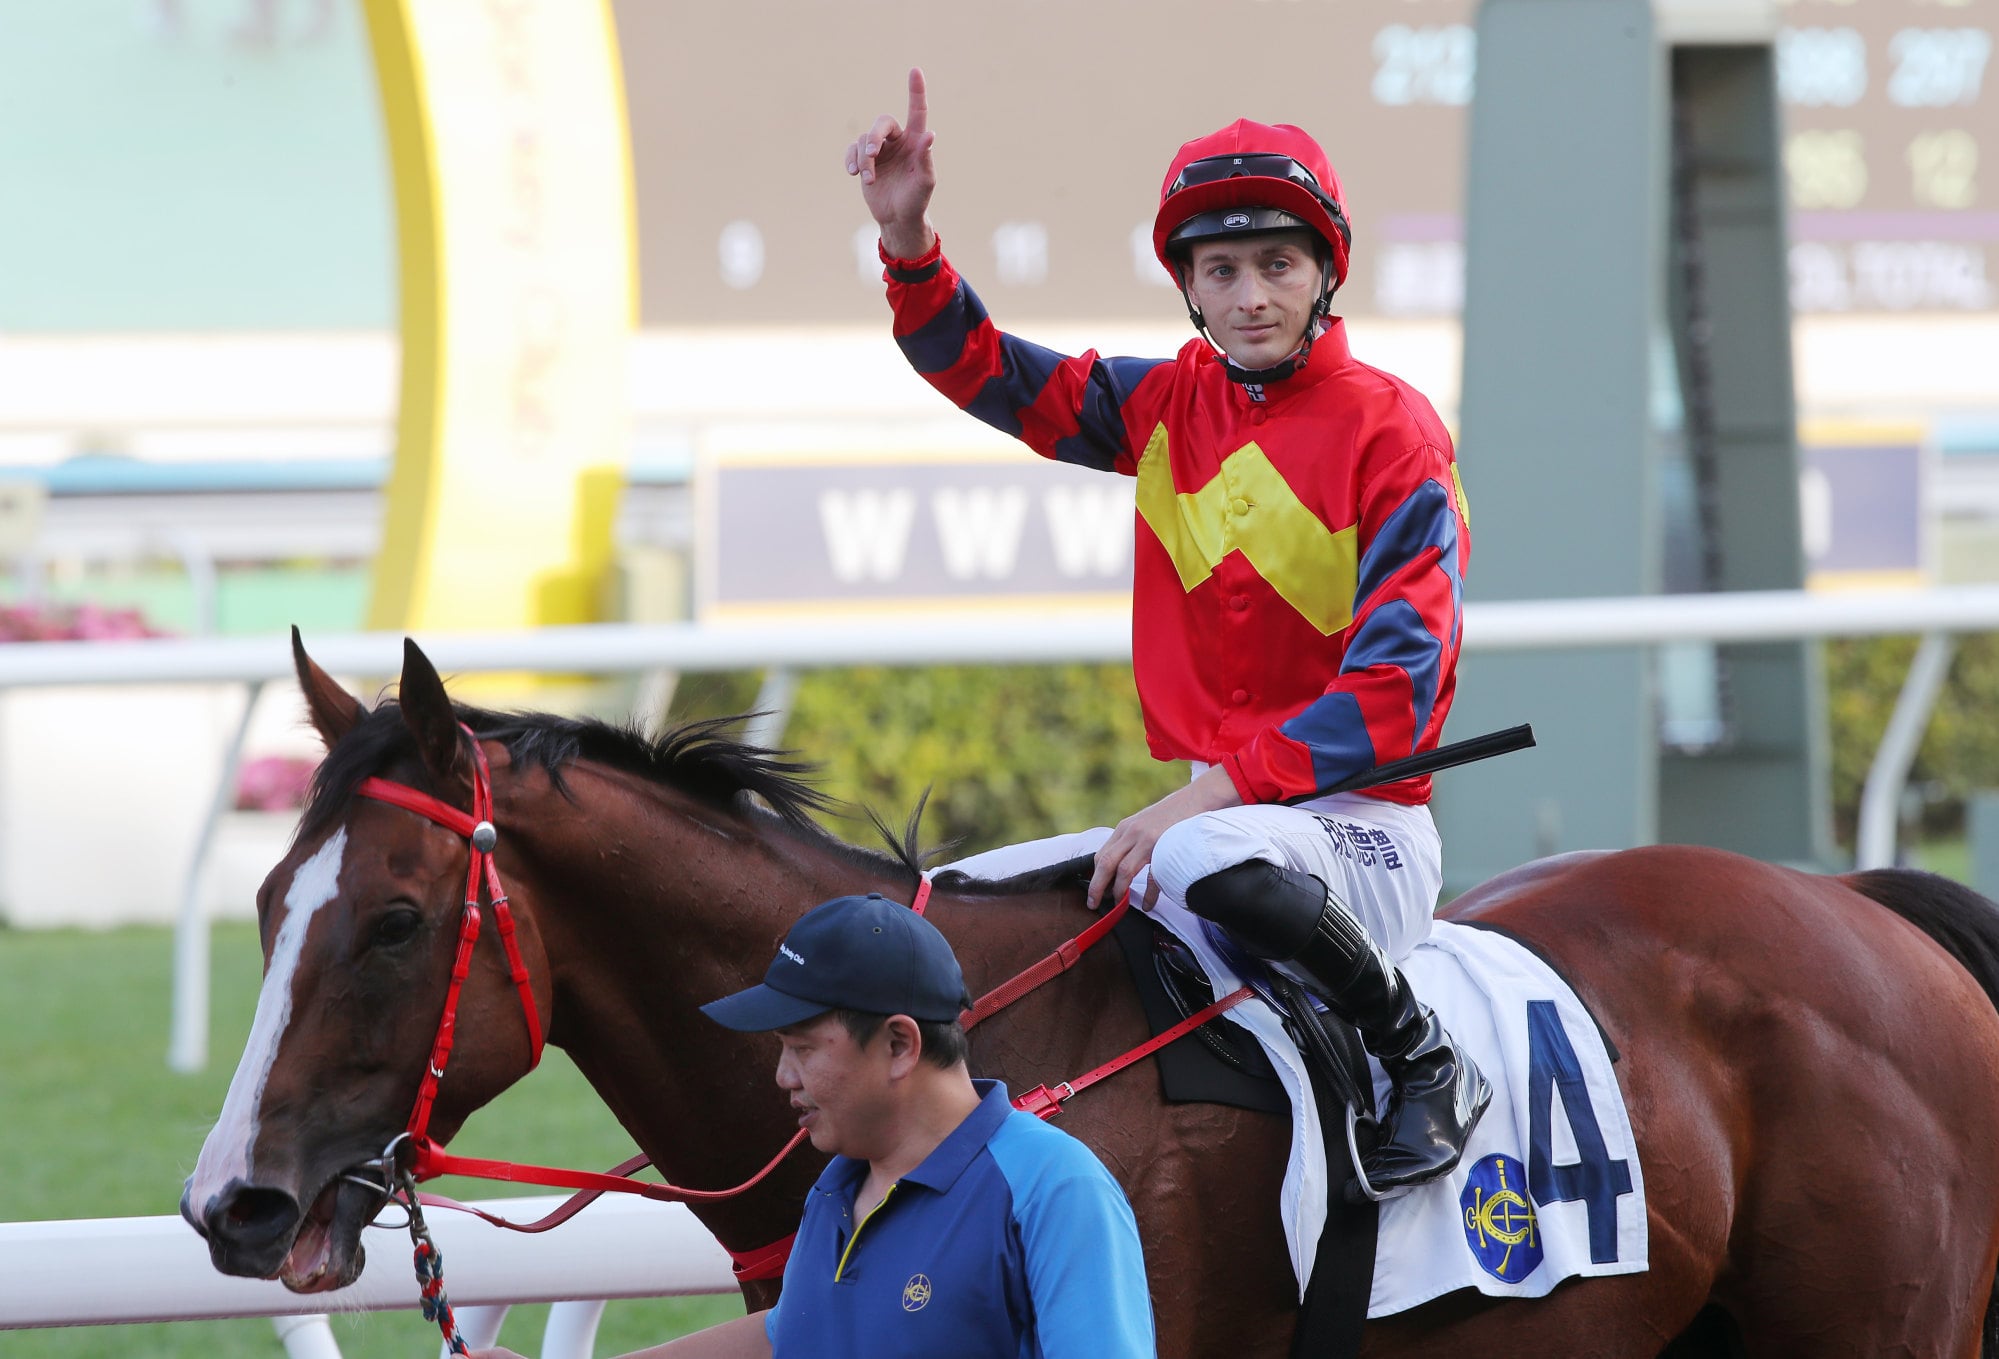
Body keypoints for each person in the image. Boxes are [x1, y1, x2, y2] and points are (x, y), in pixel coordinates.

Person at [845, 70, 1488, 1194]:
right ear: (1188, 285)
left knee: (1196, 853)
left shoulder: (1395, 434)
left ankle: (1422, 1059)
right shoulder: (1164, 407)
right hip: (1229, 823)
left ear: (1325, 272)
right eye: (1221, 271)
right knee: (939, 907)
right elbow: (990, 372)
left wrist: (1203, 794)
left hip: (1358, 832)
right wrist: (907, 241)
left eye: (1277, 265)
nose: (1250, 296)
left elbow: (1396, 690)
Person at [473, 892, 1155, 1359]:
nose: (782, 1076)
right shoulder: (837, 1185)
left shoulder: (1054, 1188)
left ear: (898, 1044)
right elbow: (790, 1334)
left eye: (801, 1047)